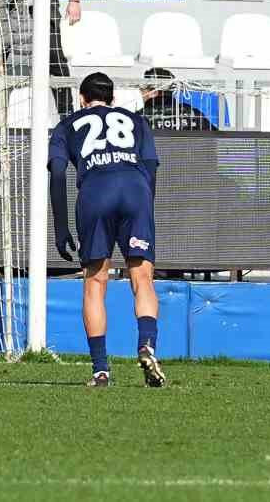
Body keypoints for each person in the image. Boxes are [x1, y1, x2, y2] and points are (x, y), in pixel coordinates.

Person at [48, 72, 166, 388]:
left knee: (96, 281)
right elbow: (151, 167)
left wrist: (61, 227)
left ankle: (101, 371)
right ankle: (147, 344)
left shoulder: (67, 125)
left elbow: (58, 173)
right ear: (112, 100)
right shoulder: (136, 121)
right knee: (142, 277)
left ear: (82, 99)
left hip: (96, 191)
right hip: (135, 189)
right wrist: (143, 207)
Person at [137, 67, 218, 131]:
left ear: (153, 92)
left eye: (143, 90)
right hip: (189, 152)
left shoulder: (139, 117)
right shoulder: (192, 113)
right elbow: (215, 139)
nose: (142, 94)